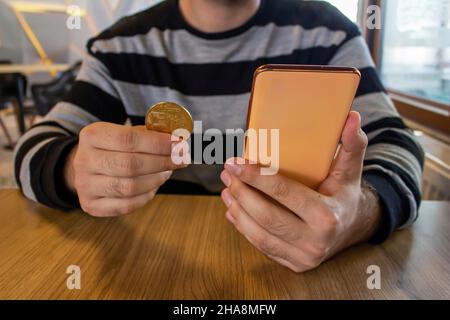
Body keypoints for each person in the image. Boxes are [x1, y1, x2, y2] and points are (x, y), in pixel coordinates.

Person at [14, 0, 424, 272]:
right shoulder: (117, 45)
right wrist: (72, 168)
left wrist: (358, 216)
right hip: (157, 262)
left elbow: (398, 144)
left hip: (298, 265)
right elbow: (34, 148)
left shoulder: (329, 34)